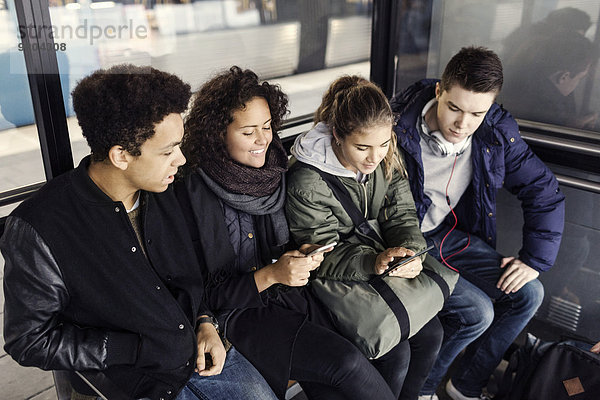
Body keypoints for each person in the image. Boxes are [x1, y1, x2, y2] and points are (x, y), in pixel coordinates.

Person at [1, 64, 278, 400]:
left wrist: (205, 321)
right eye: (167, 151)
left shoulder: (167, 189)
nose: (180, 159)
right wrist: (131, 350)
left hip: (201, 355)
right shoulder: (39, 226)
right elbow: (28, 339)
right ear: (121, 155)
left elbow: (193, 275)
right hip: (126, 381)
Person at [175, 66, 397, 400]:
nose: (263, 139)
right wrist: (273, 274)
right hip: (240, 314)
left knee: (387, 352)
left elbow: (283, 244)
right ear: (218, 132)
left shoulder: (273, 171)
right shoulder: (193, 191)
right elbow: (202, 293)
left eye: (267, 127)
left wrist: (303, 251)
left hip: (287, 293)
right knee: (346, 363)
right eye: (249, 132)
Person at [390, 46, 565, 400]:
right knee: (478, 311)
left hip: (451, 236)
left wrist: (534, 259)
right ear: (439, 91)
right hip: (405, 241)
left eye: (476, 113)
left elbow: (541, 188)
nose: (462, 124)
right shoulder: (395, 125)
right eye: (454, 108)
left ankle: (465, 386)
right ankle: (422, 390)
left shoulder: (495, 131)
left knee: (529, 293)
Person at [286, 75, 444, 400]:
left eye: (384, 143)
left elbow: (401, 215)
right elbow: (321, 254)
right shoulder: (307, 181)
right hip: (336, 275)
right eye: (362, 147)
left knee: (432, 333)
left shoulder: (385, 157)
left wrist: (410, 253)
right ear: (337, 135)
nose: (374, 157)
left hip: (378, 262)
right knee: (396, 353)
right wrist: (372, 261)